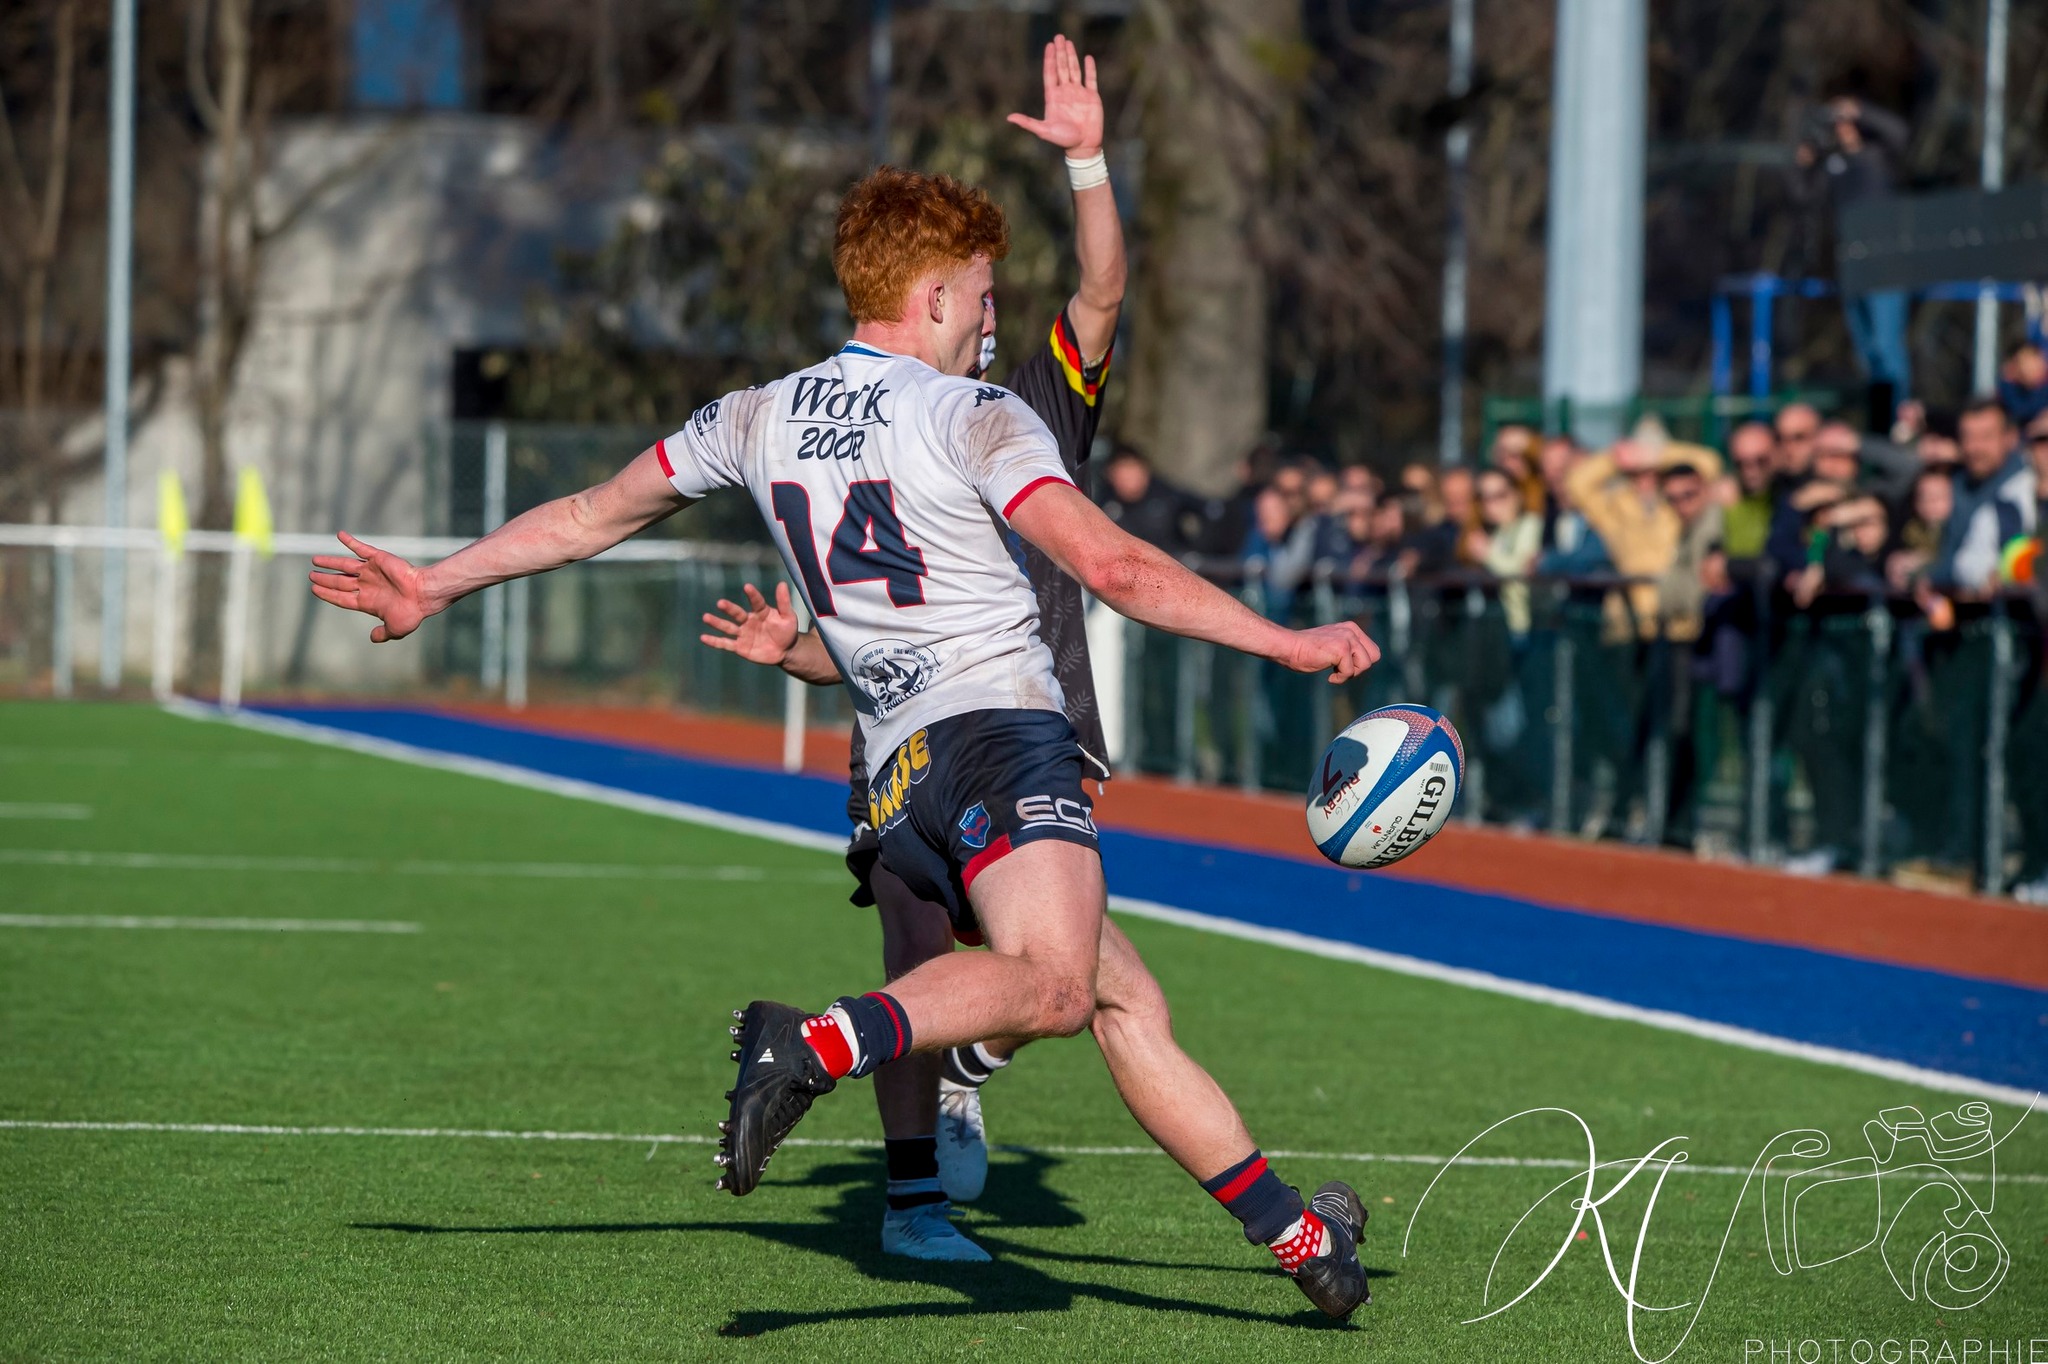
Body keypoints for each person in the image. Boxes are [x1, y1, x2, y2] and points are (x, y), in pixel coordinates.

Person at [309, 163, 1381, 1318]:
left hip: (894, 773)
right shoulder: (973, 413)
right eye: (981, 295)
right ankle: (817, 1043)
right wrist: (1282, 638)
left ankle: (1301, 1237)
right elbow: (1112, 566)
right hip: (996, 733)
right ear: (932, 296)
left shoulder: (752, 414)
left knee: (1121, 998)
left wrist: (436, 581)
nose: (988, 320)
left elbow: (585, 516)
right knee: (1055, 987)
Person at [698, 35, 1122, 1264]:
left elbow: (1101, 291)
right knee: (914, 953)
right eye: (979, 294)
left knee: (1046, 972)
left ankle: (964, 1062)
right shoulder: (873, 413)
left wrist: (1088, 165)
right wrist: (804, 650)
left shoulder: (1023, 407)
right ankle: (911, 1198)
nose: (993, 315)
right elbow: (880, 615)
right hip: (901, 731)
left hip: (1029, 721)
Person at [1792, 97, 1912, 403]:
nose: (1842, 128)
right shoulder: (1833, 166)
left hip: (1886, 266)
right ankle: (1880, 414)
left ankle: (1898, 413)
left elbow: (1899, 133)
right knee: (1866, 351)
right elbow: (1805, 198)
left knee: (1886, 346)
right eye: (1837, 123)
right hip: (1852, 267)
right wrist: (1804, 165)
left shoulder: (1879, 156)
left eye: (1846, 122)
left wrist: (1861, 110)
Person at [1999, 340, 2048, 430]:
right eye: (2025, 362)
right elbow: (2021, 412)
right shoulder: (2009, 390)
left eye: (2035, 358)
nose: (2033, 366)